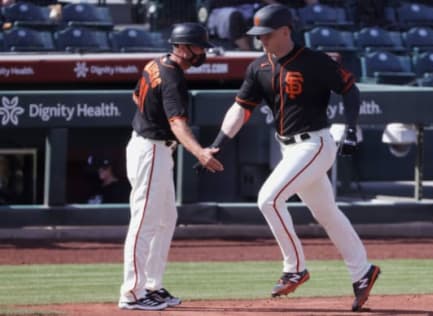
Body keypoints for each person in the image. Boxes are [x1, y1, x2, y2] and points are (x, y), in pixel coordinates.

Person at [203, 4, 381, 312]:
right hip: (289, 146)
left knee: (268, 199)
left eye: (267, 35)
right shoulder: (258, 67)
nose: (262, 41)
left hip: (315, 144)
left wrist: (351, 130)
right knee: (327, 214)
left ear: (286, 32)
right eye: (258, 36)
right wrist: (219, 142)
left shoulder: (315, 61)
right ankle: (363, 272)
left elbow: (350, 91)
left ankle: (295, 267)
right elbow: (241, 107)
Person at [118, 22, 224, 311]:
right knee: (144, 223)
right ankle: (132, 294)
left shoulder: (156, 63)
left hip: (150, 147)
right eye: (199, 47)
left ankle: (151, 286)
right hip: (151, 150)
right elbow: (177, 123)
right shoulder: (172, 76)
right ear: (184, 47)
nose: (203, 52)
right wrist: (200, 152)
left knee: (166, 219)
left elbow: (135, 96)